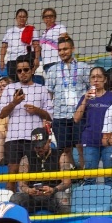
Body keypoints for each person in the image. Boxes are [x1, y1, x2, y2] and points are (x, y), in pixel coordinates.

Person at [0, 58, 54, 172]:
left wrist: (37, 110)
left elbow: (50, 116)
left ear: (32, 70)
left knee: (34, 171)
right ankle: (12, 191)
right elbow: (1, 114)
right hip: (13, 137)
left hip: (36, 137)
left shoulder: (42, 89)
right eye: (19, 71)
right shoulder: (10, 88)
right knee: (12, 172)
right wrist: (14, 103)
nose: (22, 73)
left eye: (26, 69)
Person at [42, 36, 89, 167]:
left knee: (80, 145)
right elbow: (49, 94)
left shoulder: (83, 67)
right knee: (65, 148)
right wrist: (47, 115)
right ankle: (74, 169)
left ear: (73, 49)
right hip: (60, 114)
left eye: (66, 49)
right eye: (60, 50)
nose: (62, 52)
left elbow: (90, 89)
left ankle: (83, 171)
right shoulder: (52, 70)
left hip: (79, 114)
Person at [8, 128, 66, 214]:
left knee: (63, 198)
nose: (39, 149)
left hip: (52, 195)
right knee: (15, 198)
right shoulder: (26, 158)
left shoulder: (61, 155)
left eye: (42, 145)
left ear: (49, 141)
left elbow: (67, 182)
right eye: (36, 146)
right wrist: (29, 190)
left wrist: (53, 189)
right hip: (32, 197)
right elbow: (21, 184)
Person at [73, 66, 112, 172]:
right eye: (93, 77)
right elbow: (76, 119)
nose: (96, 80)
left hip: (108, 141)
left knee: (109, 175)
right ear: (90, 80)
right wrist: (85, 100)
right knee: (89, 176)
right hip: (90, 141)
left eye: (99, 77)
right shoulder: (85, 97)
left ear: (105, 79)